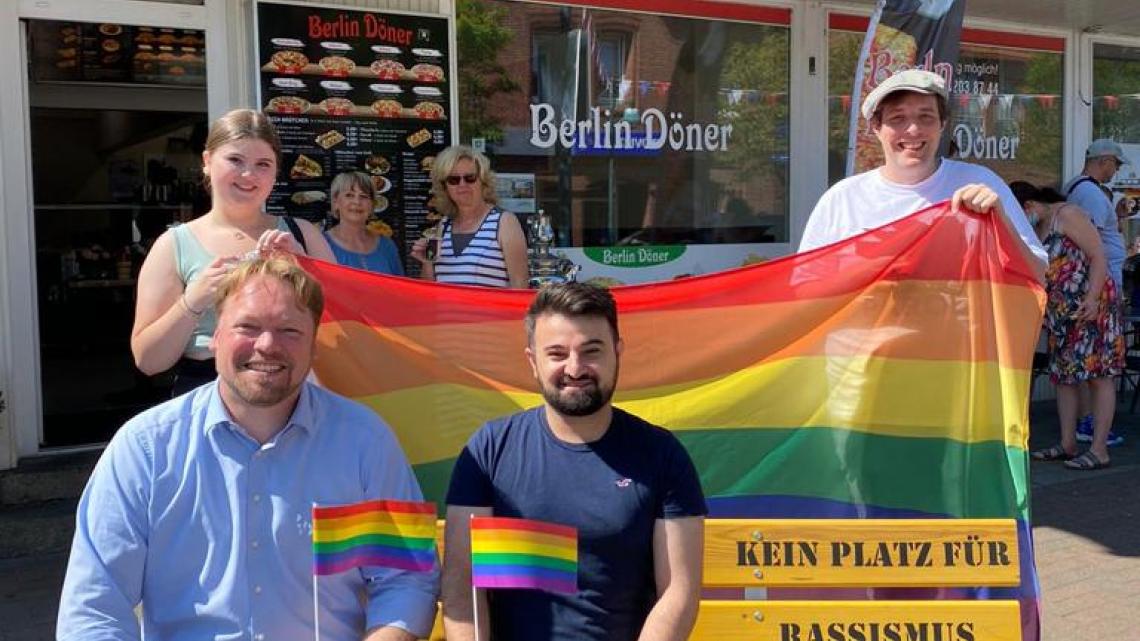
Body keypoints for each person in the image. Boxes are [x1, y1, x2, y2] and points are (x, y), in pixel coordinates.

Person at [58, 256, 439, 641]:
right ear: (214, 337)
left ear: (315, 345)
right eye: (248, 326)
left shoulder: (367, 442)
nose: (268, 345)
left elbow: (407, 578)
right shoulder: (144, 450)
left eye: (289, 330)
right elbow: (93, 609)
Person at [442, 283, 706, 641]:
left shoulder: (662, 454)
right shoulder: (488, 451)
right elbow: (462, 592)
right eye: (557, 353)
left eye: (591, 351)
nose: (575, 367)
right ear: (533, 361)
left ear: (617, 352)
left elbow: (678, 593)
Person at [130, 108, 335, 396]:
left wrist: (305, 269)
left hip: (292, 390)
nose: (248, 174)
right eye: (235, 160)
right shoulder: (173, 245)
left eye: (263, 164)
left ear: (276, 171)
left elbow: (346, 335)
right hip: (205, 392)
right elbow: (149, 360)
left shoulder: (303, 235)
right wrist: (193, 300)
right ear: (207, 161)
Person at [799, 69, 1048, 276]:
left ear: (942, 124)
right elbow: (805, 288)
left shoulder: (980, 184)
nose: (913, 130)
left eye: (926, 117)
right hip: (862, 336)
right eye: (898, 118)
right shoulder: (843, 200)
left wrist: (1001, 222)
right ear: (876, 127)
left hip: (955, 337)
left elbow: (1036, 275)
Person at [1010, 182, 1124, 470]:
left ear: (1031, 205)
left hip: (1092, 306)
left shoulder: (1068, 215)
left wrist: (1093, 298)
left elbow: (1099, 256)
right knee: (1063, 377)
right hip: (1062, 314)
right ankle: (1067, 442)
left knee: (1099, 374)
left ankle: (1099, 449)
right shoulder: (1037, 228)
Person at [1063, 139, 1131, 446]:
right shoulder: (1089, 192)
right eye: (1115, 165)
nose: (1115, 171)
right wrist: (1096, 292)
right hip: (1099, 287)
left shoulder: (1080, 189)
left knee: (1089, 359)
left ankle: (1086, 423)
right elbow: (1090, 245)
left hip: (1097, 285)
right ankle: (1090, 425)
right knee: (1099, 361)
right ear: (1104, 161)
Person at [410, 145, 529, 288]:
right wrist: (426, 262)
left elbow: (520, 284)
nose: (462, 184)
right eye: (453, 180)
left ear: (483, 181)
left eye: (470, 178)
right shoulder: (443, 226)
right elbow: (430, 290)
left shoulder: (504, 222)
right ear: (445, 187)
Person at [324, 171, 405, 275]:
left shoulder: (387, 246)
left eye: (364, 196)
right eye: (349, 195)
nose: (357, 202)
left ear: (372, 205)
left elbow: (400, 288)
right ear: (335, 202)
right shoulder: (321, 244)